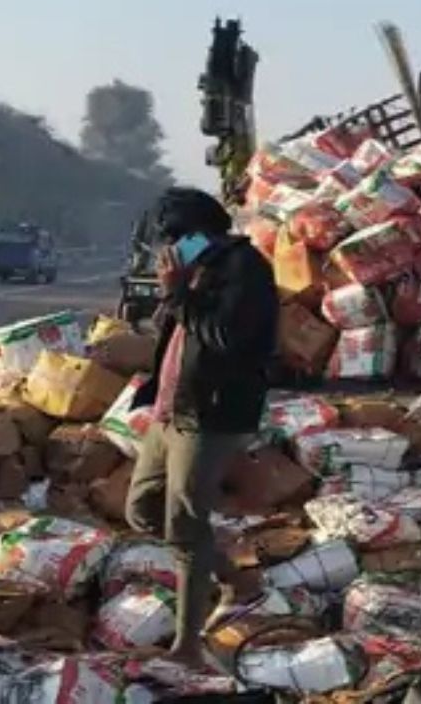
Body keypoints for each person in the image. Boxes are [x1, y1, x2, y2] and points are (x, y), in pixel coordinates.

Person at [125, 187, 276, 666]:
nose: (167, 251)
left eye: (172, 240)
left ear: (193, 234)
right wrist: (174, 296)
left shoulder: (245, 269)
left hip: (210, 416)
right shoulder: (198, 269)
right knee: (141, 509)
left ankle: (187, 647)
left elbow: (225, 337)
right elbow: (178, 332)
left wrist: (179, 293)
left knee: (185, 529)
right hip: (172, 409)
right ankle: (237, 579)